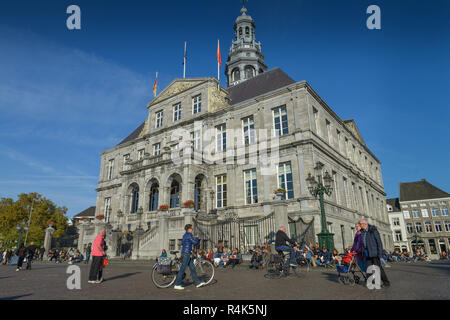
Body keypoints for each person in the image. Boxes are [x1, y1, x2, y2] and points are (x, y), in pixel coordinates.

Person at [173, 224, 206, 290]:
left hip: (186, 253)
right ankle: (177, 284)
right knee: (182, 269)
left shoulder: (185, 235)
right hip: (187, 253)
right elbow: (195, 242)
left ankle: (197, 283)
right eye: (191, 228)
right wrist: (196, 237)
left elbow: (185, 243)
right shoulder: (189, 235)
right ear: (189, 229)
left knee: (192, 268)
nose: (192, 229)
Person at [360, 219, 390, 288]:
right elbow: (363, 243)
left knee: (378, 268)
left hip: (375, 253)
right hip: (367, 254)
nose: (360, 225)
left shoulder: (373, 230)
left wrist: (380, 254)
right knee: (368, 268)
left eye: (361, 224)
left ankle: (386, 282)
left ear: (365, 224)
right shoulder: (362, 232)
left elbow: (379, 242)